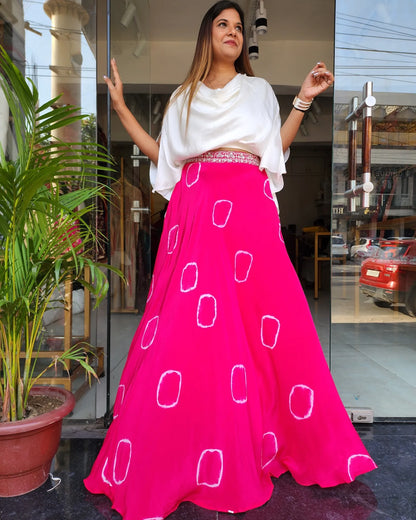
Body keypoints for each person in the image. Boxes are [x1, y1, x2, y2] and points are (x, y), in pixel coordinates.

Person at [84, 2, 376, 519]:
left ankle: (268, 438)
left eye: (240, 27)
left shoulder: (259, 92)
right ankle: (182, 451)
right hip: (195, 211)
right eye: (224, 24)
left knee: (267, 325)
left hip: (247, 208)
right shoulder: (183, 96)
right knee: (187, 332)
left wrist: (303, 100)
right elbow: (164, 157)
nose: (234, 33)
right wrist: (123, 108)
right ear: (207, 35)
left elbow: (274, 154)